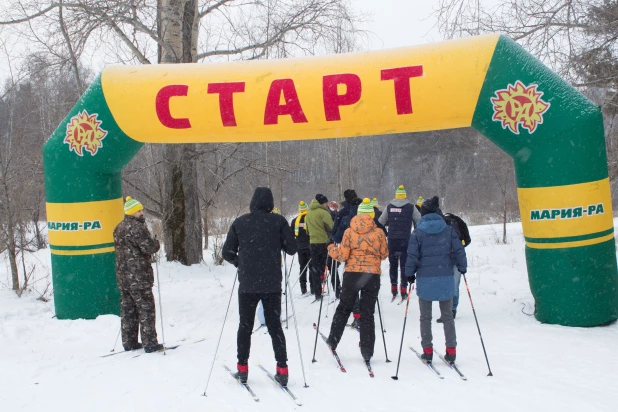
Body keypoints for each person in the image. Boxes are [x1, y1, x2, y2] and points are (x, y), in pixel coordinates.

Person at [222, 187, 298, 386]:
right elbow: (292, 249)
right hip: (272, 283)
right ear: (271, 203)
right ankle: (282, 369)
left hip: (248, 283)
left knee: (245, 326)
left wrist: (241, 262)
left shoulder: (240, 222)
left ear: (253, 201)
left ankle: (242, 369)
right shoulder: (278, 222)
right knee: (275, 326)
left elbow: (227, 252)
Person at [405, 196, 467, 363]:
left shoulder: (418, 231)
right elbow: (459, 250)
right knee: (447, 317)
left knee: (425, 317)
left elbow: (412, 255)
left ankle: (428, 350)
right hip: (445, 278)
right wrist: (462, 267)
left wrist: (409, 274)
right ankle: (451, 351)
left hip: (425, 280)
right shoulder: (448, 229)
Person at [326, 198, 389, 362]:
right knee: (367, 313)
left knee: (344, 308)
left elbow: (342, 256)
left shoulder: (349, 232)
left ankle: (333, 340)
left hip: (352, 275)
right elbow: (384, 254)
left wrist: (331, 248)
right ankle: (367, 350)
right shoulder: (379, 232)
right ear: (372, 214)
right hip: (371, 275)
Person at [113, 196, 163, 353]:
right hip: (138, 277)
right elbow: (148, 248)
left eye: (141, 210)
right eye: (138, 210)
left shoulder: (118, 227)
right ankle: (150, 343)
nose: (141, 213)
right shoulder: (137, 228)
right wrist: (156, 243)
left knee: (128, 311)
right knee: (146, 309)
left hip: (123, 276)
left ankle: (129, 342)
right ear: (131, 212)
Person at [378, 185, 420, 301]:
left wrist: (391, 224)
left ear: (396, 196)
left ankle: (393, 287)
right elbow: (419, 220)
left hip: (392, 240)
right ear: (405, 196)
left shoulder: (389, 207)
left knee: (393, 264)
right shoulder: (411, 207)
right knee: (404, 265)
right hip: (405, 240)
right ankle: (403, 288)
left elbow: (381, 221)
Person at [305, 194, 334, 300]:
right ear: (322, 203)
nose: (327, 205)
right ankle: (337, 290)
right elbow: (331, 227)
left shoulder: (308, 213)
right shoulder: (323, 213)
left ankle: (317, 292)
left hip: (313, 243)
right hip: (324, 243)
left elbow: (307, 230)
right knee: (330, 266)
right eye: (326, 203)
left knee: (315, 268)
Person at [291, 201, 311, 295]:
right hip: (310, 246)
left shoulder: (295, 220)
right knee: (312, 267)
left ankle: (303, 289)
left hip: (300, 247)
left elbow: (291, 234)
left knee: (302, 267)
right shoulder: (311, 218)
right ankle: (314, 288)